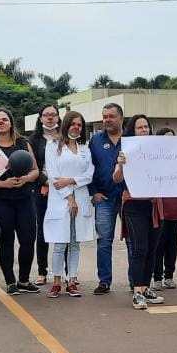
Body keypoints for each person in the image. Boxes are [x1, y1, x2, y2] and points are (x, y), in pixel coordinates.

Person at [0, 107, 41, 295]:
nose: (1, 122)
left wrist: (26, 179)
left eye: (4, 119)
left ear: (11, 122)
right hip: (0, 200)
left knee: (28, 240)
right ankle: (10, 281)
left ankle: (24, 279)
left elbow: (35, 170)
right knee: (6, 240)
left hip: (24, 199)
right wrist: (3, 184)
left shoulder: (23, 143)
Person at [114, 114, 164, 309]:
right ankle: (137, 291)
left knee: (152, 249)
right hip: (134, 205)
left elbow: (174, 169)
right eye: (139, 127)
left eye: (146, 127)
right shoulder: (126, 150)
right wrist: (121, 165)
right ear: (132, 131)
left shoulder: (159, 150)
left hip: (154, 204)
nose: (144, 130)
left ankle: (145, 288)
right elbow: (116, 179)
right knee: (140, 248)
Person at [43, 111, 94, 297]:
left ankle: (72, 280)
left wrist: (71, 180)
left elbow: (89, 174)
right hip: (60, 200)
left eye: (79, 125)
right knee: (60, 243)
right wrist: (69, 197)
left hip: (81, 197)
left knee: (75, 242)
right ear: (66, 124)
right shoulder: (53, 146)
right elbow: (54, 176)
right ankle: (57, 281)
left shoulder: (85, 148)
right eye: (73, 124)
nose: (76, 127)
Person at [88, 103, 125, 295]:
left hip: (128, 198)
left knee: (133, 241)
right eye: (104, 116)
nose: (107, 120)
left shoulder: (132, 140)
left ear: (121, 118)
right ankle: (104, 281)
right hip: (104, 197)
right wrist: (93, 192)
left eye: (111, 116)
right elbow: (89, 169)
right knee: (104, 240)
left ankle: (136, 281)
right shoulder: (95, 141)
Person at [29, 105, 62, 285]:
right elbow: (32, 166)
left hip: (64, 187)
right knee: (42, 230)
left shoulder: (65, 138)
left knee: (64, 230)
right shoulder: (33, 140)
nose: (50, 118)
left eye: (53, 115)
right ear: (40, 118)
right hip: (42, 189)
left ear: (58, 117)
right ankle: (42, 271)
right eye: (46, 115)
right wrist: (45, 182)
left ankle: (64, 271)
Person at [152, 128, 177, 290]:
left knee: (172, 245)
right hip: (159, 210)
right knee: (159, 245)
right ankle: (157, 277)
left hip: (176, 210)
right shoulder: (153, 160)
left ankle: (169, 275)